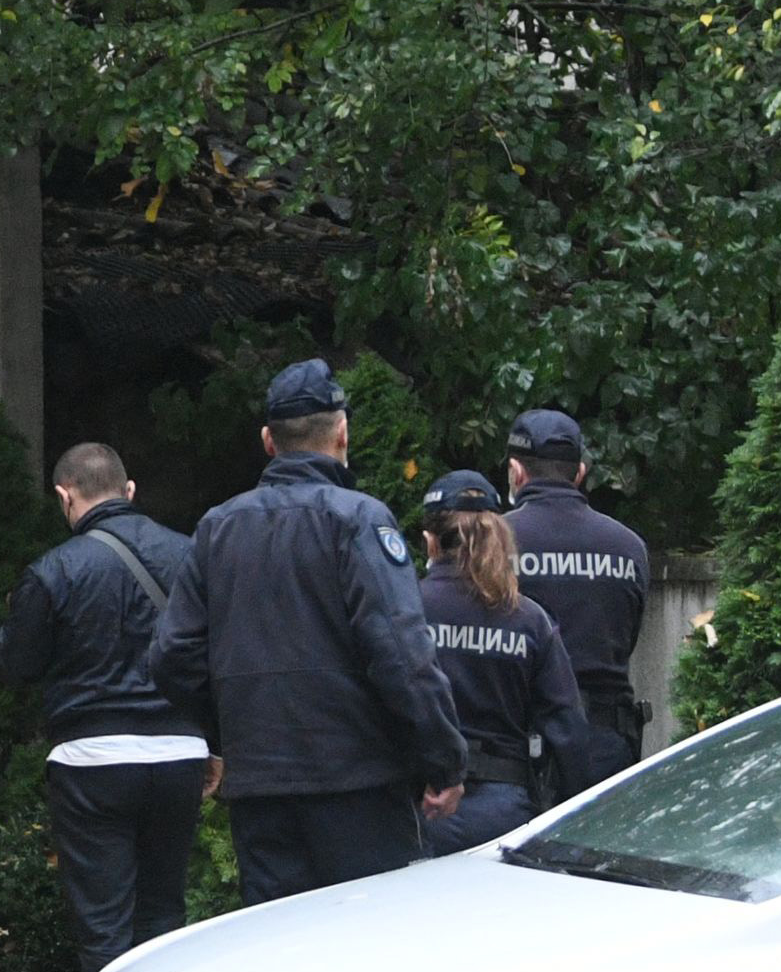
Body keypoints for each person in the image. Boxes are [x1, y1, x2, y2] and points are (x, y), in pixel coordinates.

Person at [149, 361, 466, 905]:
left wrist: (234, 727)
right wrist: (443, 760)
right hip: (358, 786)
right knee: (370, 940)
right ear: (343, 433)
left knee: (278, 945)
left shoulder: (218, 527)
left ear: (268, 441)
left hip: (261, 791)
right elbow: (401, 653)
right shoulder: (358, 519)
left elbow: (172, 655)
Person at [0, 442, 208, 972]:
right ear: (128, 491)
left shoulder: (54, 570)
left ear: (64, 497)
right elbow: (215, 651)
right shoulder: (191, 556)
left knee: (104, 929)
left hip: (92, 760)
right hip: (180, 754)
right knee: (164, 920)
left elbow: (13, 665)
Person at [411, 472, 598, 855]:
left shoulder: (406, 610)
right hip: (505, 809)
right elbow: (567, 729)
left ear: (430, 541)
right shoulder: (529, 619)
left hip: (421, 804)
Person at [500, 409, 654, 778]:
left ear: (516, 472)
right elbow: (627, 636)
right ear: (580, 473)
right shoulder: (629, 546)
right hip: (606, 746)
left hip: (518, 748)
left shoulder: (490, 544)